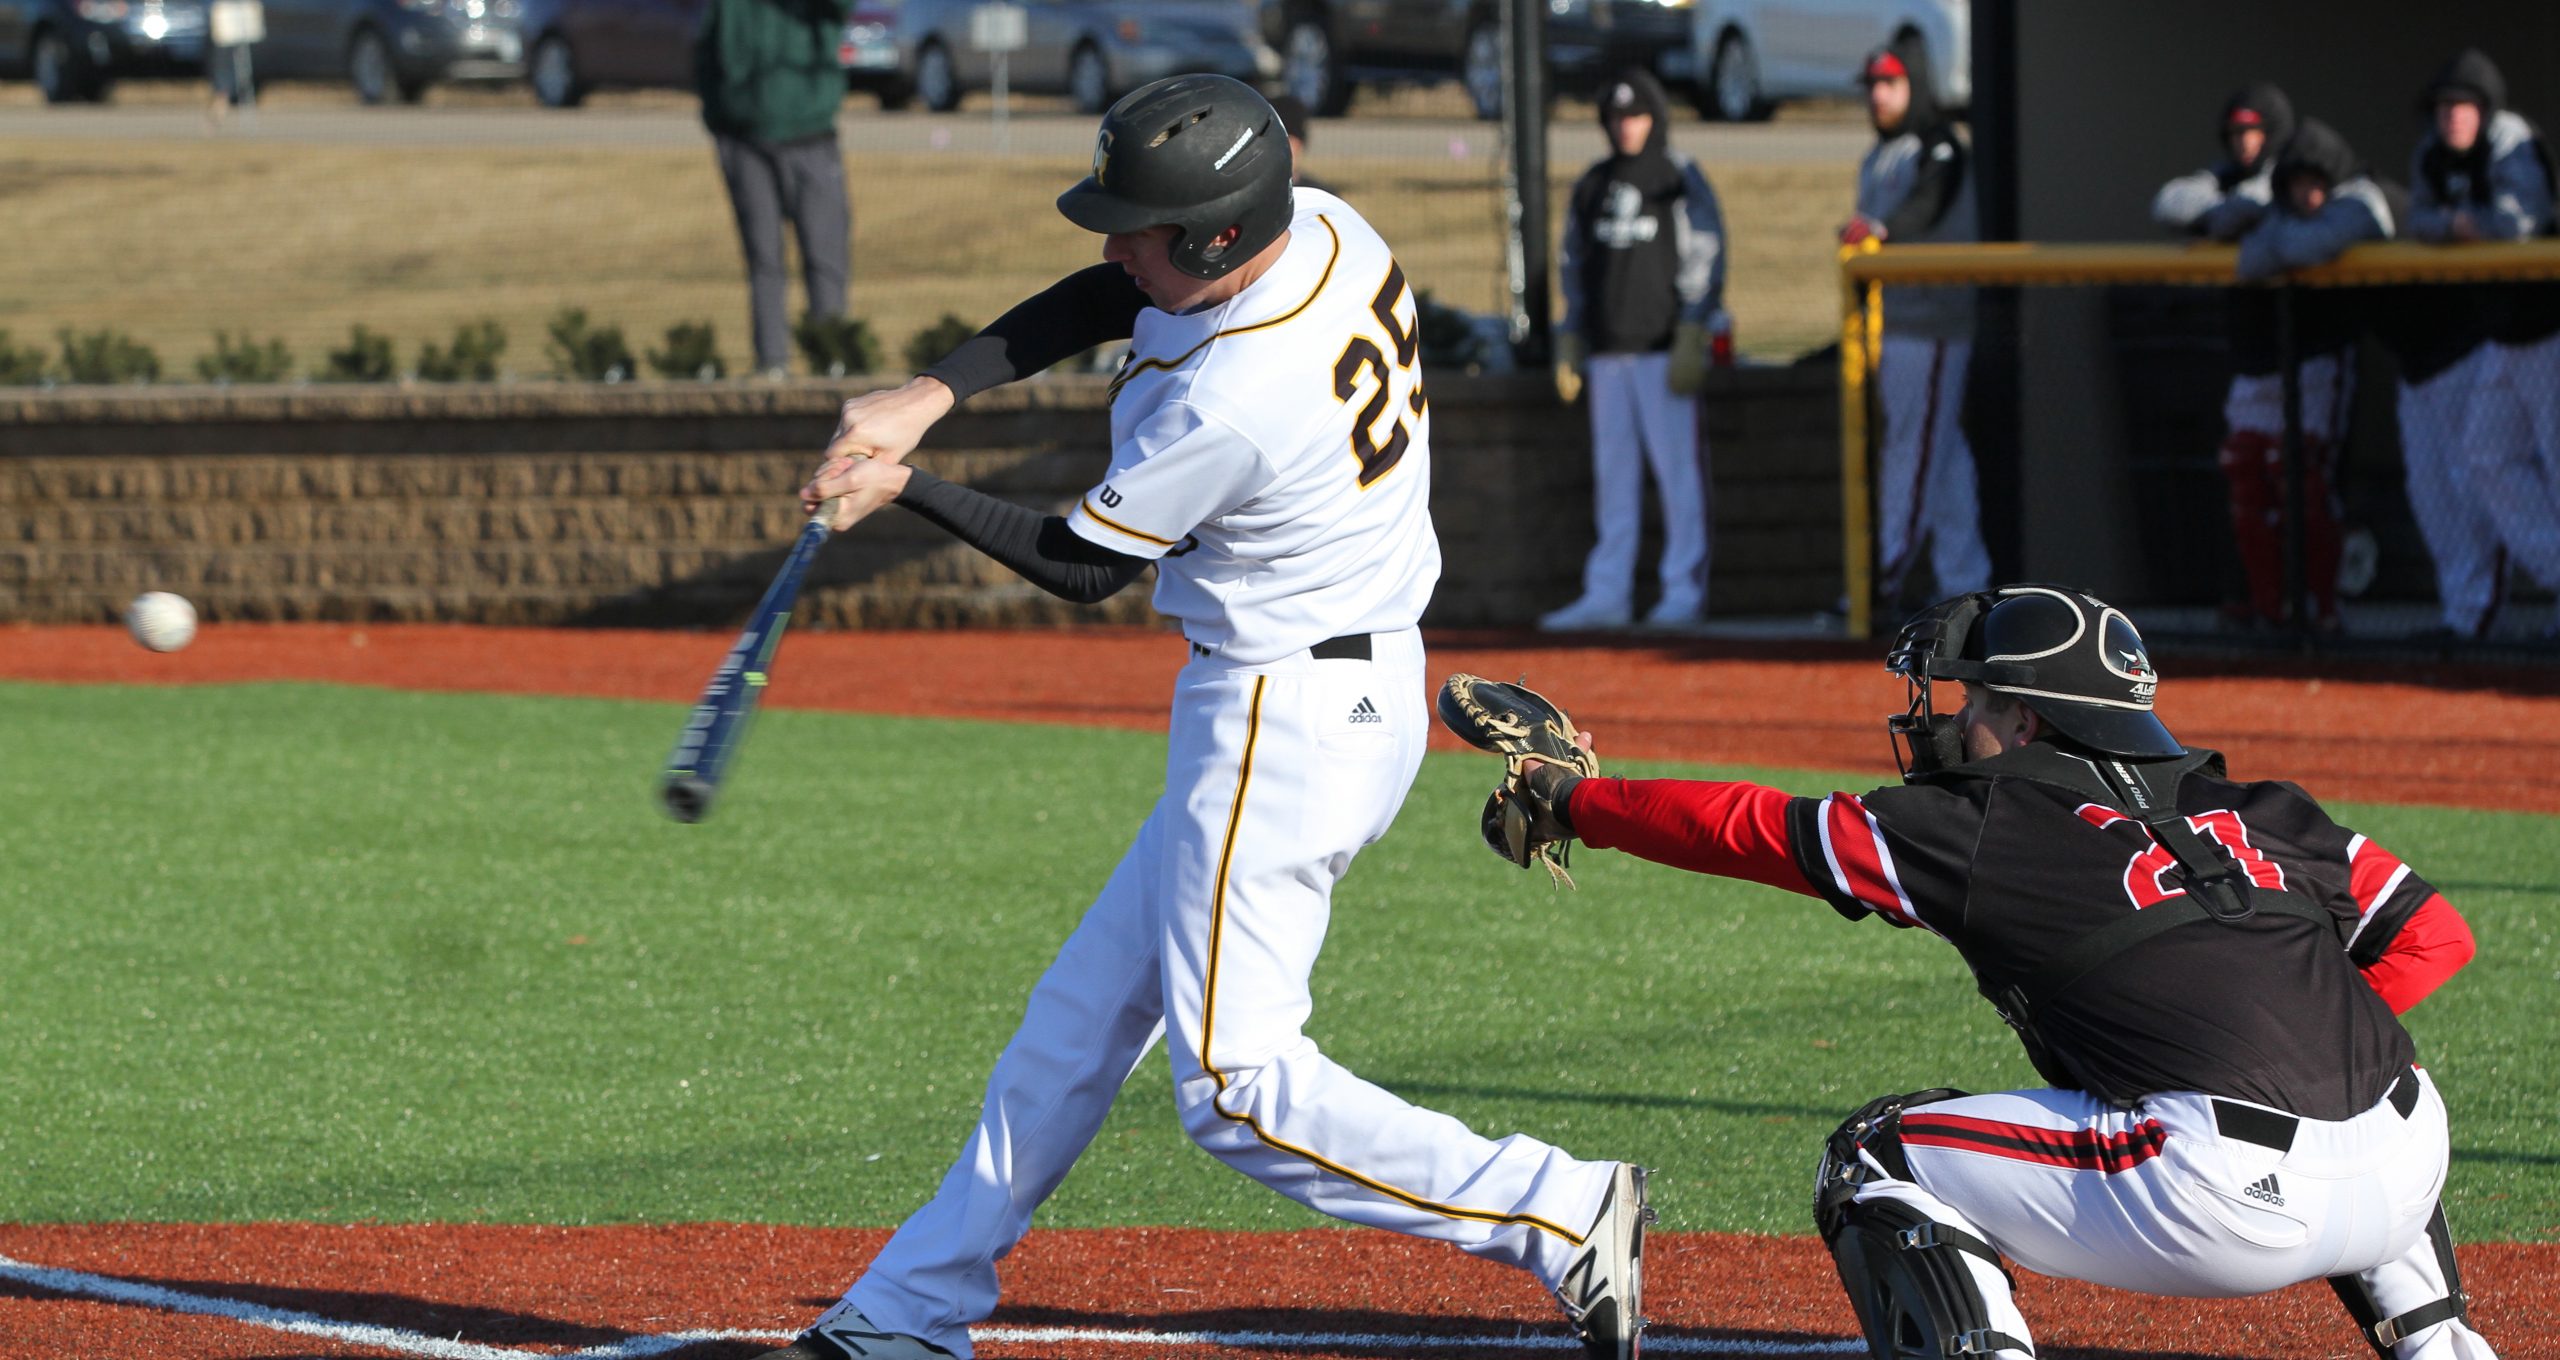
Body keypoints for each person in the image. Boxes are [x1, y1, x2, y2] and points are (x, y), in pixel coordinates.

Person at [755, 75, 1651, 1360]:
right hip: (1343, 680)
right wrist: (932, 390)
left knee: (1236, 1088)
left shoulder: (1232, 394)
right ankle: (908, 1308)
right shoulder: (1323, 224)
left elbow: (1079, 562)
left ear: (1224, 235)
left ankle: (1556, 1208)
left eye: (1145, 226)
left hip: (1281, 720)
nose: (1116, 245)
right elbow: (1117, 287)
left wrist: (908, 488)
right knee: (1077, 1022)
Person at [1483, 583, 2497, 1360]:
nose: (1953, 718)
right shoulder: (2261, 806)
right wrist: (2284, 1043)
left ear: (2028, 723)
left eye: (1974, 697)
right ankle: (2445, 1344)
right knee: (2366, 1078)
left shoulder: (1981, 826)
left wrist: (1580, 801)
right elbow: (2435, 936)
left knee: (1872, 1157)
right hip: (2408, 1172)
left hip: (2215, 1198)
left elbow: (1752, 828)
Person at [1539, 68, 1727, 634]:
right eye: (1618, 118)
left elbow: (1706, 252)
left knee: (1679, 480)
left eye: (1637, 115)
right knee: (1613, 479)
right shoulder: (1593, 182)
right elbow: (1573, 261)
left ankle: (1682, 591)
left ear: (1657, 117)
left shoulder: (1679, 174)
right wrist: (1571, 331)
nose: (1628, 127)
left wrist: (1694, 326)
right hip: (1607, 353)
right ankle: (1608, 591)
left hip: (1662, 350)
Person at [2406, 48, 2560, 637]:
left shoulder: (2513, 142)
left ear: (2487, 109)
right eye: (2444, 107)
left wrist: (2466, 225)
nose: (2452, 118)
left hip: (2549, 330)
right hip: (2504, 334)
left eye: (2463, 106)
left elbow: (2518, 222)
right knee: (2486, 454)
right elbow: (2418, 221)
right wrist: (2457, 226)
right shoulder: (2433, 153)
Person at [1840, 34, 1989, 610]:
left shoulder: (1940, 145)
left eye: (1891, 83)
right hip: (1894, 322)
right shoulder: (1877, 155)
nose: (1879, 96)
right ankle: (1967, 583)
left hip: (1931, 322)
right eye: (1873, 85)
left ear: (1915, 86)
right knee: (1943, 455)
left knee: (1913, 448)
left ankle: (1884, 576)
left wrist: (1881, 230)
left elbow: (1924, 206)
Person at [2231, 119, 2396, 631]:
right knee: (2249, 477)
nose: (2309, 195)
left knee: (2305, 478)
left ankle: (2323, 608)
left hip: (2335, 360)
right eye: (2298, 184)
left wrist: (2277, 234)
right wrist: (2274, 227)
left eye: (2317, 183)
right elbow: (2245, 255)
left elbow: (2303, 247)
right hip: (2274, 365)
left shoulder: (2364, 199)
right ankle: (2273, 606)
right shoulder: (2274, 207)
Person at [694, 0, 854, 378]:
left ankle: (829, 361)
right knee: (763, 259)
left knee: (824, 255)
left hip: (811, 136)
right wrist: (718, 120)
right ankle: (771, 362)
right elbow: (706, 51)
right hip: (744, 140)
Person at [1265, 91, 1335, 194]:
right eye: (1271, 142)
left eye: (1287, 141)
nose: (1278, 149)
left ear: (1300, 144)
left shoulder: (1320, 196)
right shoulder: (1253, 196)